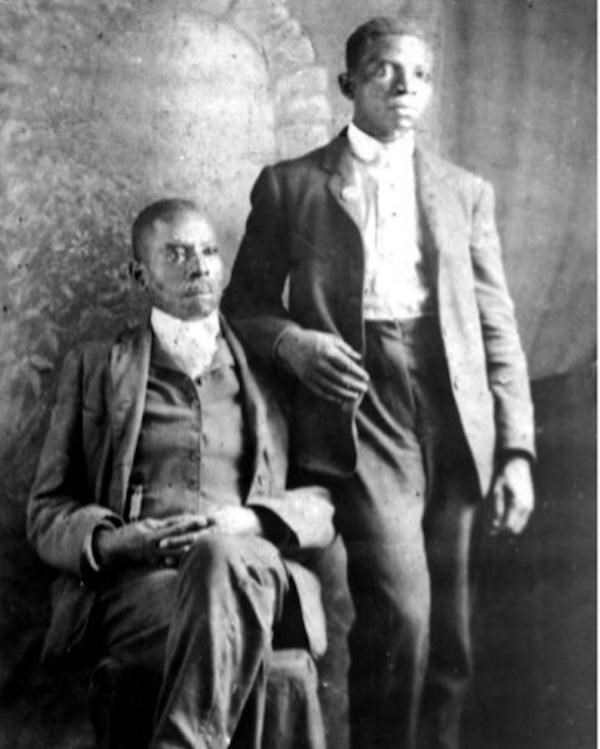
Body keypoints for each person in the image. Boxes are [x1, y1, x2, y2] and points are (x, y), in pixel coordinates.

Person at [222, 16, 535, 749]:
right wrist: (296, 342)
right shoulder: (290, 186)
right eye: (385, 71)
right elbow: (245, 308)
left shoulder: (465, 191)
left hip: (457, 414)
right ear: (347, 85)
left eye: (419, 76)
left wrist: (516, 449)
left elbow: (497, 326)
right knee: (402, 614)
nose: (405, 88)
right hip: (364, 409)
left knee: (450, 635)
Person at [27, 199, 335, 749]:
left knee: (221, 559)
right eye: (176, 253)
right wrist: (116, 540)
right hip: (142, 590)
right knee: (234, 635)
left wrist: (254, 521)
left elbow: (324, 501)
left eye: (210, 252)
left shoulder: (269, 370)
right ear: (138, 274)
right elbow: (46, 510)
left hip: (254, 565)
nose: (200, 267)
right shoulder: (95, 367)